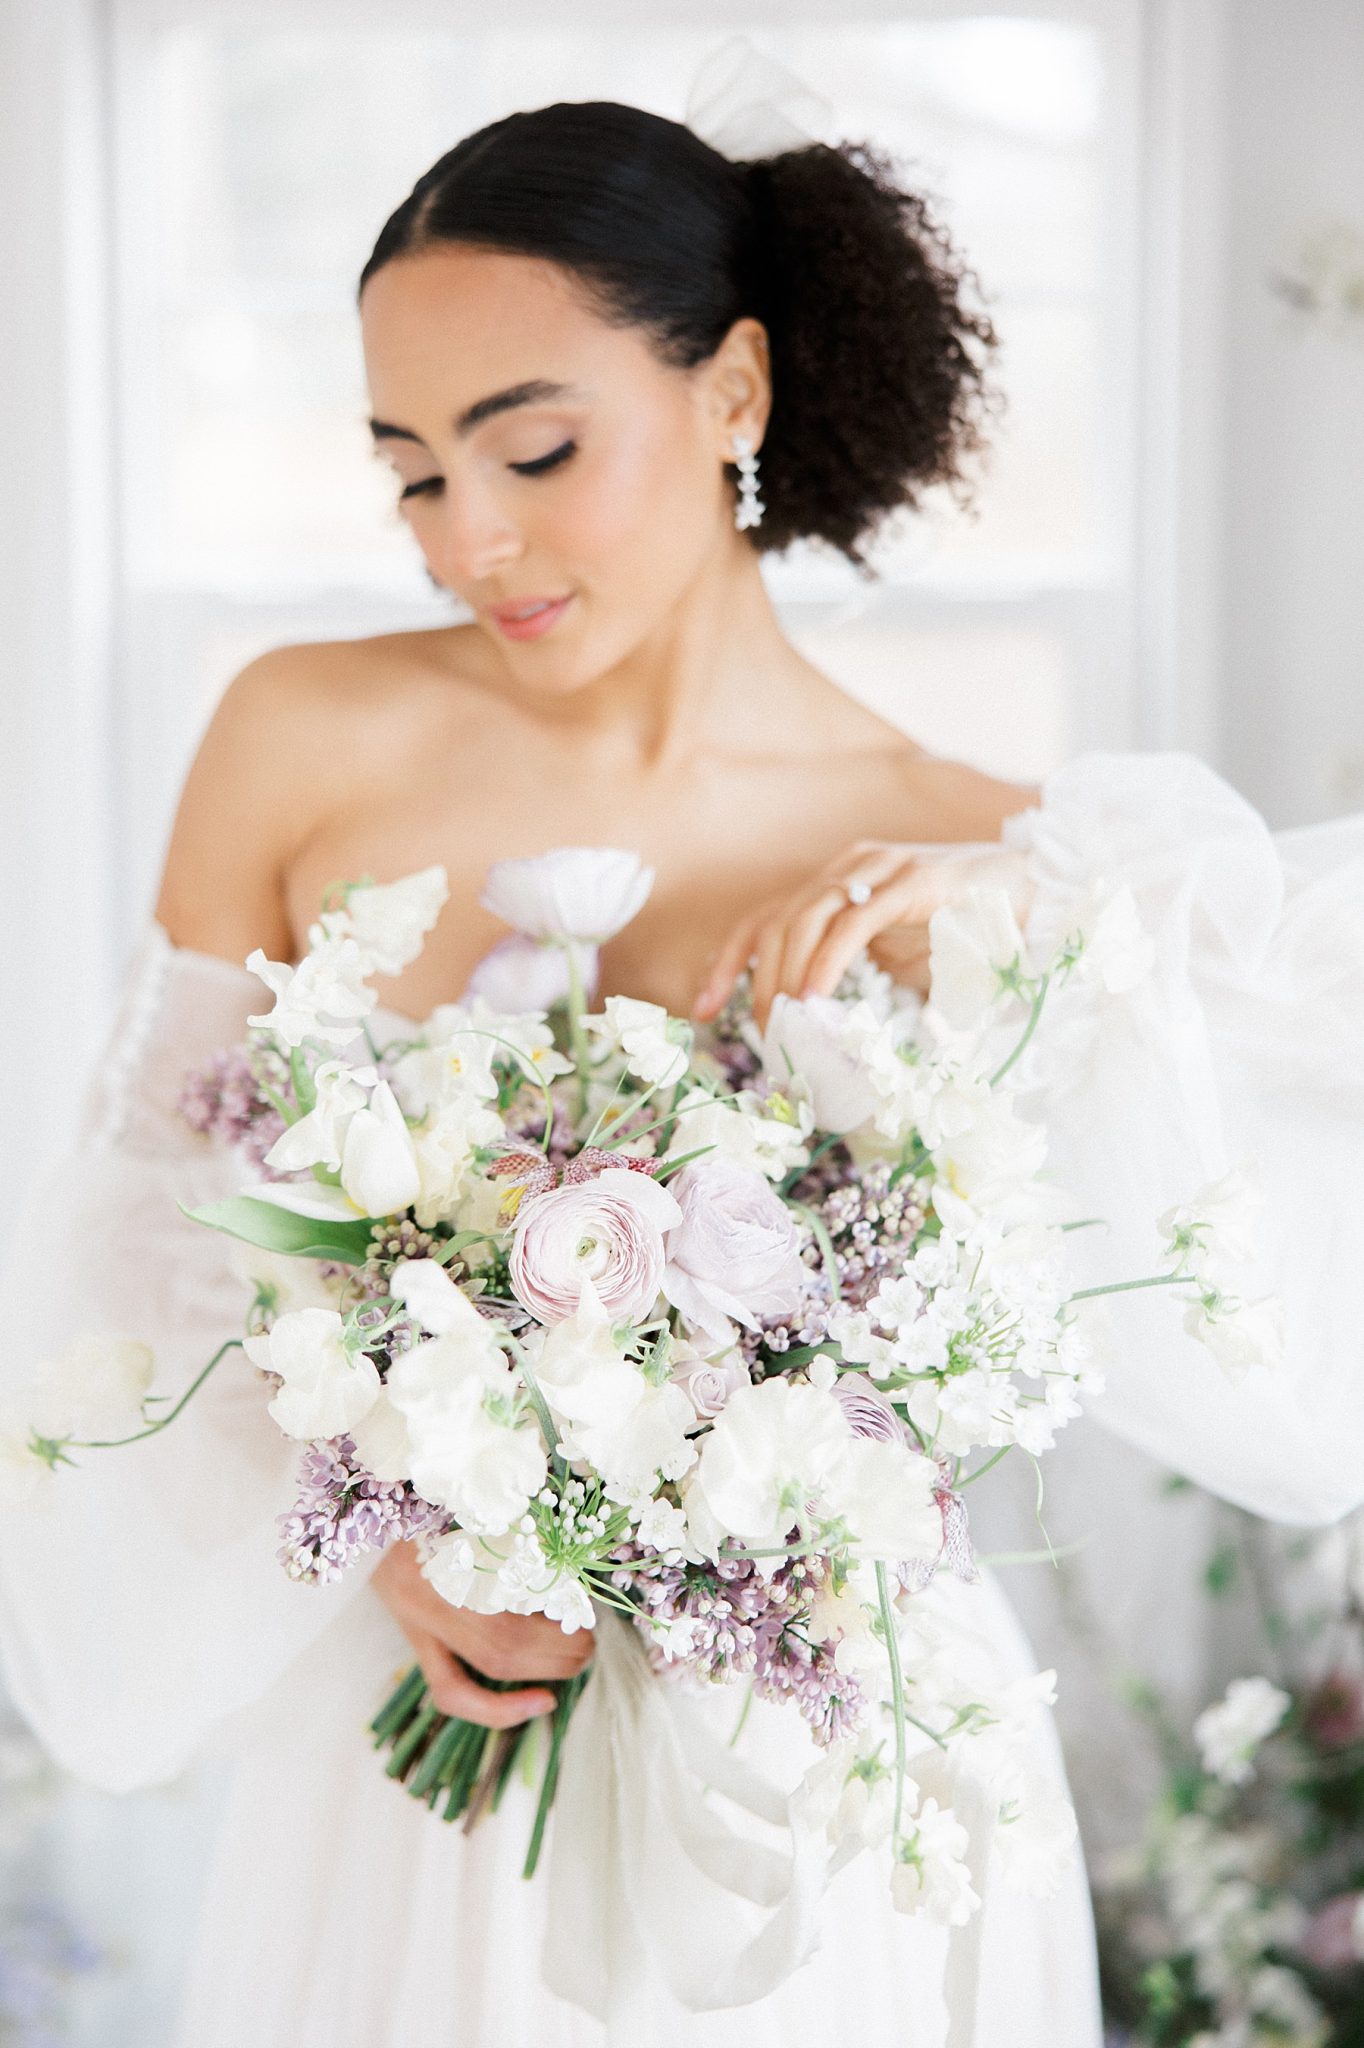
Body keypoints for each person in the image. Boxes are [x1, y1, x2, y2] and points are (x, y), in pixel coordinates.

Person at [2, 93, 1363, 2048]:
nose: (471, 538)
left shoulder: (949, 846)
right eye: (410, 473)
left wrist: (1071, 917)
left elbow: (1281, 1232)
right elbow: (135, 1239)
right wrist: (386, 1536)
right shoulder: (298, 738)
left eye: (534, 449)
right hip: (427, 1783)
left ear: (731, 390)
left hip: (842, 1788)